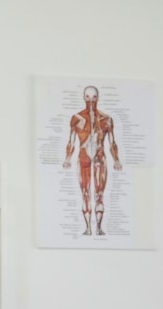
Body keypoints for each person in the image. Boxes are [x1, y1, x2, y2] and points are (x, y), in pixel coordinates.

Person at [62, 86, 122, 237]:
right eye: (87, 97)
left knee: (99, 194)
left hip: (100, 158)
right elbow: (71, 141)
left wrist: (116, 160)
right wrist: (67, 158)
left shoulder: (106, 120)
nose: (90, 101)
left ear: (98, 98)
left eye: (94, 97)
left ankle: (99, 228)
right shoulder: (76, 118)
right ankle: (88, 228)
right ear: (84, 98)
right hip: (83, 157)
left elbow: (112, 142)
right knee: (85, 193)